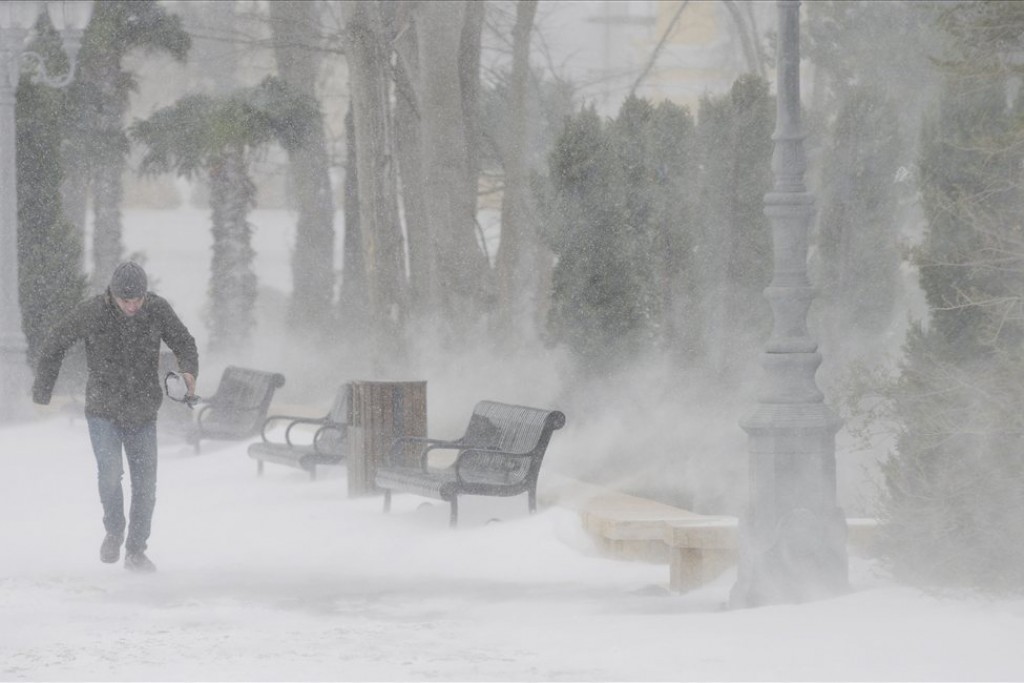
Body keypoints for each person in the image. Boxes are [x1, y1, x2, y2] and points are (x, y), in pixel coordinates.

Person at [32, 262, 199, 573]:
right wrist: (42, 391)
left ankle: (136, 551)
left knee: (145, 485)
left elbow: (184, 343)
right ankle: (114, 530)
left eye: (138, 300)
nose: (132, 306)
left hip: (143, 410)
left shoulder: (157, 309)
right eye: (126, 301)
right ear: (112, 295)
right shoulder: (92, 312)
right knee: (110, 474)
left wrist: (188, 373)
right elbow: (56, 341)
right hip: (103, 410)